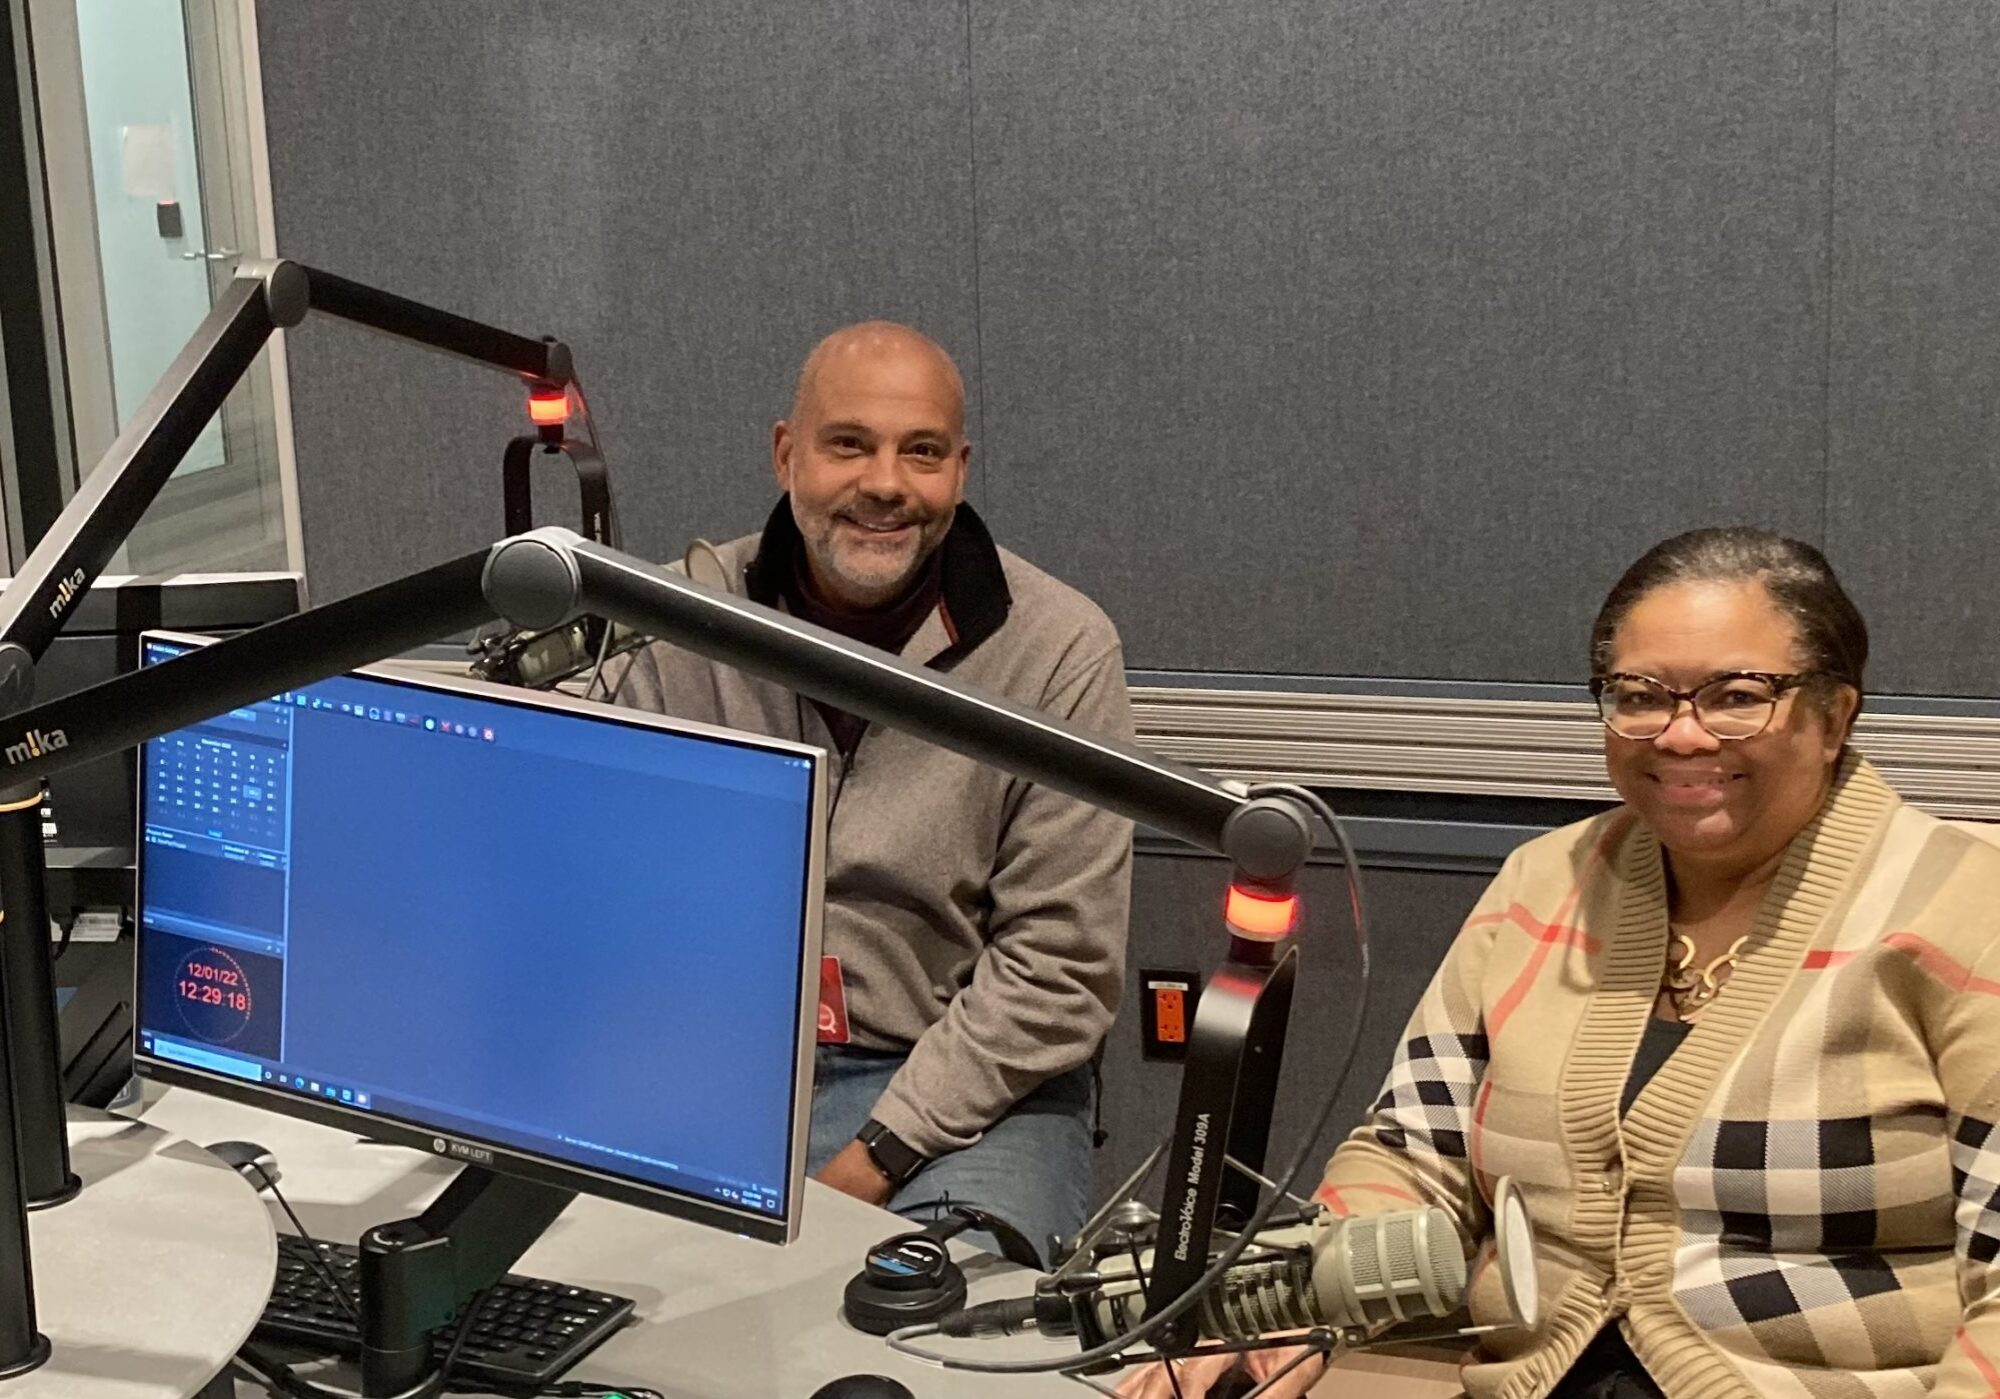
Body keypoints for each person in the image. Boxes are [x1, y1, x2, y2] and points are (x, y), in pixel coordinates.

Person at [1124, 527, 2000, 1397]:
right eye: (1640, 695)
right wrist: (1295, 1310)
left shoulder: (1967, 910)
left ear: (1835, 713)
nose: (1682, 735)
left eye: (1739, 696)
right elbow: (1413, 1154)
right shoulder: (1542, 884)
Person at [603, 321, 1133, 1262]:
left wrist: (870, 1160)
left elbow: (1059, 969)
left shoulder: (1060, 651)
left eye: (920, 452)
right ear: (786, 454)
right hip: (724, 1065)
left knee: (932, 1319)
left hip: (965, 1086)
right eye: (848, 443)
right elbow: (602, 878)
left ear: (959, 471)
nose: (885, 483)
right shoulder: (682, 614)